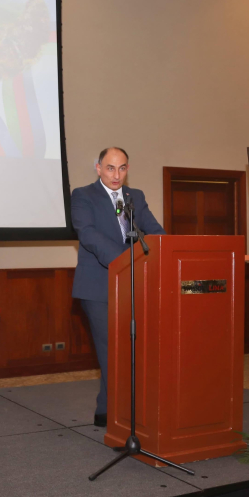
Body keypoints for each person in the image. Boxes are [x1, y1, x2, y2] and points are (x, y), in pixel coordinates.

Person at [71, 147, 165, 427]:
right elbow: (88, 235)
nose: (116, 174)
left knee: (131, 348)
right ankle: (121, 416)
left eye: (122, 168)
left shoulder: (134, 197)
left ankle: (105, 409)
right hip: (98, 286)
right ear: (98, 168)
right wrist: (127, 260)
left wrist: (166, 252)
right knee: (111, 350)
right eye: (110, 168)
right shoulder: (83, 195)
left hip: (133, 284)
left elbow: (156, 232)